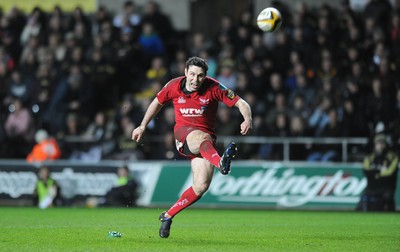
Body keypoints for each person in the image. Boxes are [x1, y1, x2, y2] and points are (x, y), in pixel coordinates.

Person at [131, 57, 252, 238]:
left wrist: (247, 119)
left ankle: (167, 215)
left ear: (205, 77)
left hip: (205, 146)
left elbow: (242, 103)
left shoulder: (214, 87)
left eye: (200, 76)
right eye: (193, 74)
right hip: (183, 136)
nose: (196, 80)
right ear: (186, 72)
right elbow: (156, 102)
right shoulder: (173, 85)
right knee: (202, 137)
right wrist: (142, 126)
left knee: (201, 186)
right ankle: (221, 162)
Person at [356, 134, 398, 212]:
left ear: (386, 144)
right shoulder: (369, 157)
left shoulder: (392, 157)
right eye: (378, 143)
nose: (380, 145)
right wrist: (379, 172)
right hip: (372, 187)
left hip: (386, 187)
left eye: (382, 143)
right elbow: (366, 170)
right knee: (362, 200)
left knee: (387, 198)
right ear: (375, 144)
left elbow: (390, 173)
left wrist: (375, 174)